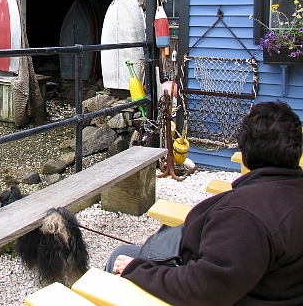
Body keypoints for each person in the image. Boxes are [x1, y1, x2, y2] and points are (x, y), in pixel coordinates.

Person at [105, 100, 303, 305]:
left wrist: (138, 271)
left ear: (246, 154)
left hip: (207, 287)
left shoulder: (247, 216)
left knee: (120, 258)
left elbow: (205, 289)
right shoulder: (290, 193)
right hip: (258, 284)